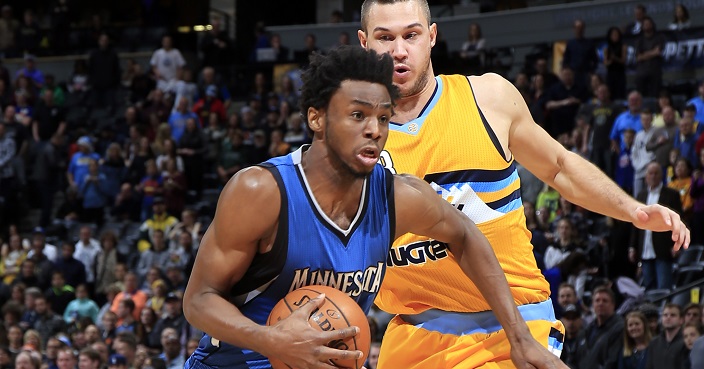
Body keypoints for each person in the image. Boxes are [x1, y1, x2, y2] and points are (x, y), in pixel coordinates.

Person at [357, 1, 689, 368]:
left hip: (512, 326)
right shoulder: (349, 140)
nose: (399, 50)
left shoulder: (488, 97)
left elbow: (559, 167)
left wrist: (633, 210)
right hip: (415, 334)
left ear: (432, 36)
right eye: (385, 38)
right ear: (364, 43)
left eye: (411, 34)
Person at [183, 46, 558, 369]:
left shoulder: (398, 196)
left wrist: (519, 336)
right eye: (357, 115)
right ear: (316, 118)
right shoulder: (262, 191)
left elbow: (465, 235)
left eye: (383, 117)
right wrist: (270, 340)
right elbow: (199, 300)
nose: (375, 130)